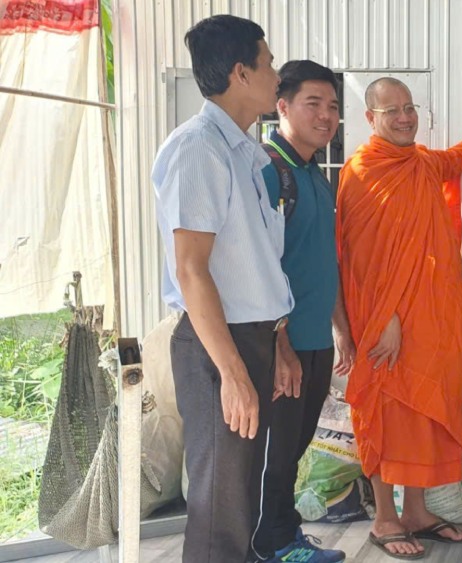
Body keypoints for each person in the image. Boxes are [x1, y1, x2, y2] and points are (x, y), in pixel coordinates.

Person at [336, 77, 462, 560]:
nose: (404, 117)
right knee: (383, 409)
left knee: (417, 412)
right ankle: (384, 515)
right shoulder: (361, 172)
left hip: (430, 319)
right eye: (392, 110)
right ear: (370, 119)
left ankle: (416, 512)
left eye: (409, 107)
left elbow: (457, 155)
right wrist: (388, 318)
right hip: (385, 320)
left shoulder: (421, 163)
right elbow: (359, 259)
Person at [151, 15, 291, 562]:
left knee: (240, 497)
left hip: (247, 336)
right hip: (216, 346)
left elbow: (252, 267)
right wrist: (232, 374)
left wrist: (273, 341)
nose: (276, 72)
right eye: (269, 61)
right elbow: (192, 271)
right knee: (220, 506)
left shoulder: (244, 151)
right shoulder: (199, 149)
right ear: (241, 73)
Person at [251, 60, 351, 563]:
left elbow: (321, 260)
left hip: (313, 339)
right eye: (313, 103)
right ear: (282, 105)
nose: (326, 115)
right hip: (282, 345)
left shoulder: (314, 174)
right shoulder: (269, 170)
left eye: (332, 106)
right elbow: (257, 266)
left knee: (292, 449)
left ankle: (282, 535)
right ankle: (269, 544)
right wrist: (280, 345)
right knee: (275, 452)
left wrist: (341, 331)